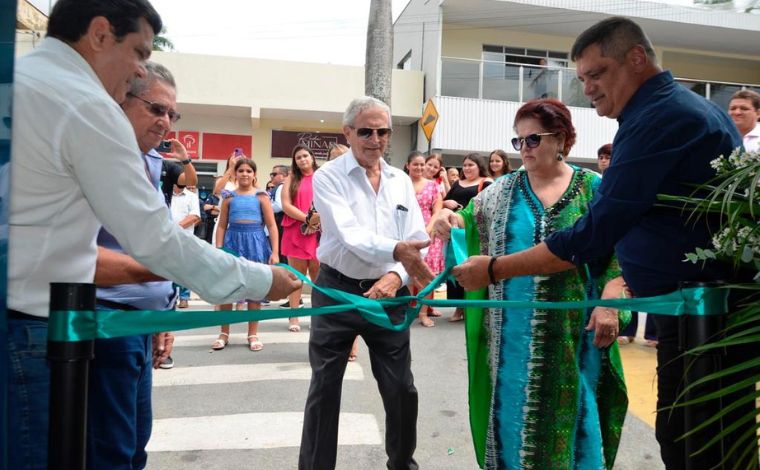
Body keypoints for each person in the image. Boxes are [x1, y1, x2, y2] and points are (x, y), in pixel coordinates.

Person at [7, 3, 300, 469]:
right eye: (139, 51)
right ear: (100, 34)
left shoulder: (22, 83)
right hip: (39, 325)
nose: (140, 69)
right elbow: (157, 241)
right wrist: (263, 281)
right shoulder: (85, 104)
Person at [450, 17, 749, 469]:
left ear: (635, 58)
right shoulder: (655, 114)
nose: (588, 88)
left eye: (597, 73)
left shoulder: (662, 118)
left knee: (703, 448)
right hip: (680, 315)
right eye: (582, 78)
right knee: (680, 439)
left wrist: (494, 269)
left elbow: (594, 234)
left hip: (705, 316)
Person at [432, 98, 628, 469]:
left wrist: (610, 302)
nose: (524, 148)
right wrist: (447, 218)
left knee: (576, 427)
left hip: (575, 338)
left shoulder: (594, 189)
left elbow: (621, 254)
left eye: (534, 139)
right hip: (510, 343)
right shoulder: (499, 190)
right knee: (512, 432)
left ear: (564, 139)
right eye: (518, 141)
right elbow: (469, 226)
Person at [299, 96, 433, 470]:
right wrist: (399, 253)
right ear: (348, 132)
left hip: (389, 296)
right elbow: (348, 234)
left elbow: (416, 236)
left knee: (401, 389)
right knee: (324, 389)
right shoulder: (327, 178)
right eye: (366, 131)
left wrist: (395, 275)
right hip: (336, 291)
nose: (375, 139)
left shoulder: (400, 180)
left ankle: (402, 464)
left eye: (383, 131)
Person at [90, 60, 181, 468]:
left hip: (140, 326)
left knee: (134, 448)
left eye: (172, 114)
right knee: (113, 452)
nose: (166, 123)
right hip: (108, 323)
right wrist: (165, 270)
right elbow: (77, 256)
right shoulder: (95, 159)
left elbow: (157, 243)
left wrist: (163, 313)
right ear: (119, 100)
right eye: (156, 109)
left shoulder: (150, 163)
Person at [212, 158, 279, 351]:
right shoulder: (228, 197)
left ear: (254, 174)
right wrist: (219, 248)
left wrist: (274, 252)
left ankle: (253, 333)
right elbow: (222, 225)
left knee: (255, 290)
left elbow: (272, 226)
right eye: (241, 170)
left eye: (249, 171)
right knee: (228, 290)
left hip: (256, 243)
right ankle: (224, 333)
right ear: (235, 173)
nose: (244, 174)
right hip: (232, 243)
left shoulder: (261, 196)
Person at [442, 153, 491, 322]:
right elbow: (444, 202)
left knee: (472, 266)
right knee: (456, 268)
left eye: (471, 165)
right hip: (455, 234)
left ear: (479, 166)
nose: (468, 168)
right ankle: (458, 308)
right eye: (465, 165)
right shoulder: (457, 184)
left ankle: (473, 308)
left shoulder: (487, 183)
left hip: (475, 233)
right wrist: (445, 203)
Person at [280, 144, 320, 330]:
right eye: (298, 157)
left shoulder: (322, 176)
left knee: (319, 277)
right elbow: (286, 205)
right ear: (294, 162)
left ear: (312, 157)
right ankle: (294, 317)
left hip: (320, 232)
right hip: (296, 230)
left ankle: (319, 317)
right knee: (296, 277)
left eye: (305, 155)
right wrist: (307, 219)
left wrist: (317, 222)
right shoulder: (291, 179)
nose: (303, 159)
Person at [406, 151, 444, 327]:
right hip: (405, 234)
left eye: (422, 164)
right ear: (408, 165)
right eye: (416, 164)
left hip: (428, 235)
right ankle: (407, 309)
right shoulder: (400, 184)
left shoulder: (433, 186)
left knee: (427, 275)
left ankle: (423, 312)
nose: (420, 168)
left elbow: (437, 210)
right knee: (406, 273)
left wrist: (428, 229)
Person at [170, 183, 201, 308]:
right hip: (165, 238)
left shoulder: (191, 196)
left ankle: (184, 297)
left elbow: (194, 216)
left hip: (184, 238)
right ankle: (170, 297)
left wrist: (174, 228)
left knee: (184, 268)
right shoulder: (164, 194)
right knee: (168, 268)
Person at [269, 164, 290, 264]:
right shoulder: (280, 187)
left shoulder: (282, 187)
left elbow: (279, 206)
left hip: (280, 220)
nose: (271, 176)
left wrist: (264, 207)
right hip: (280, 220)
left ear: (284, 175)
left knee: (281, 251)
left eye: (274, 174)